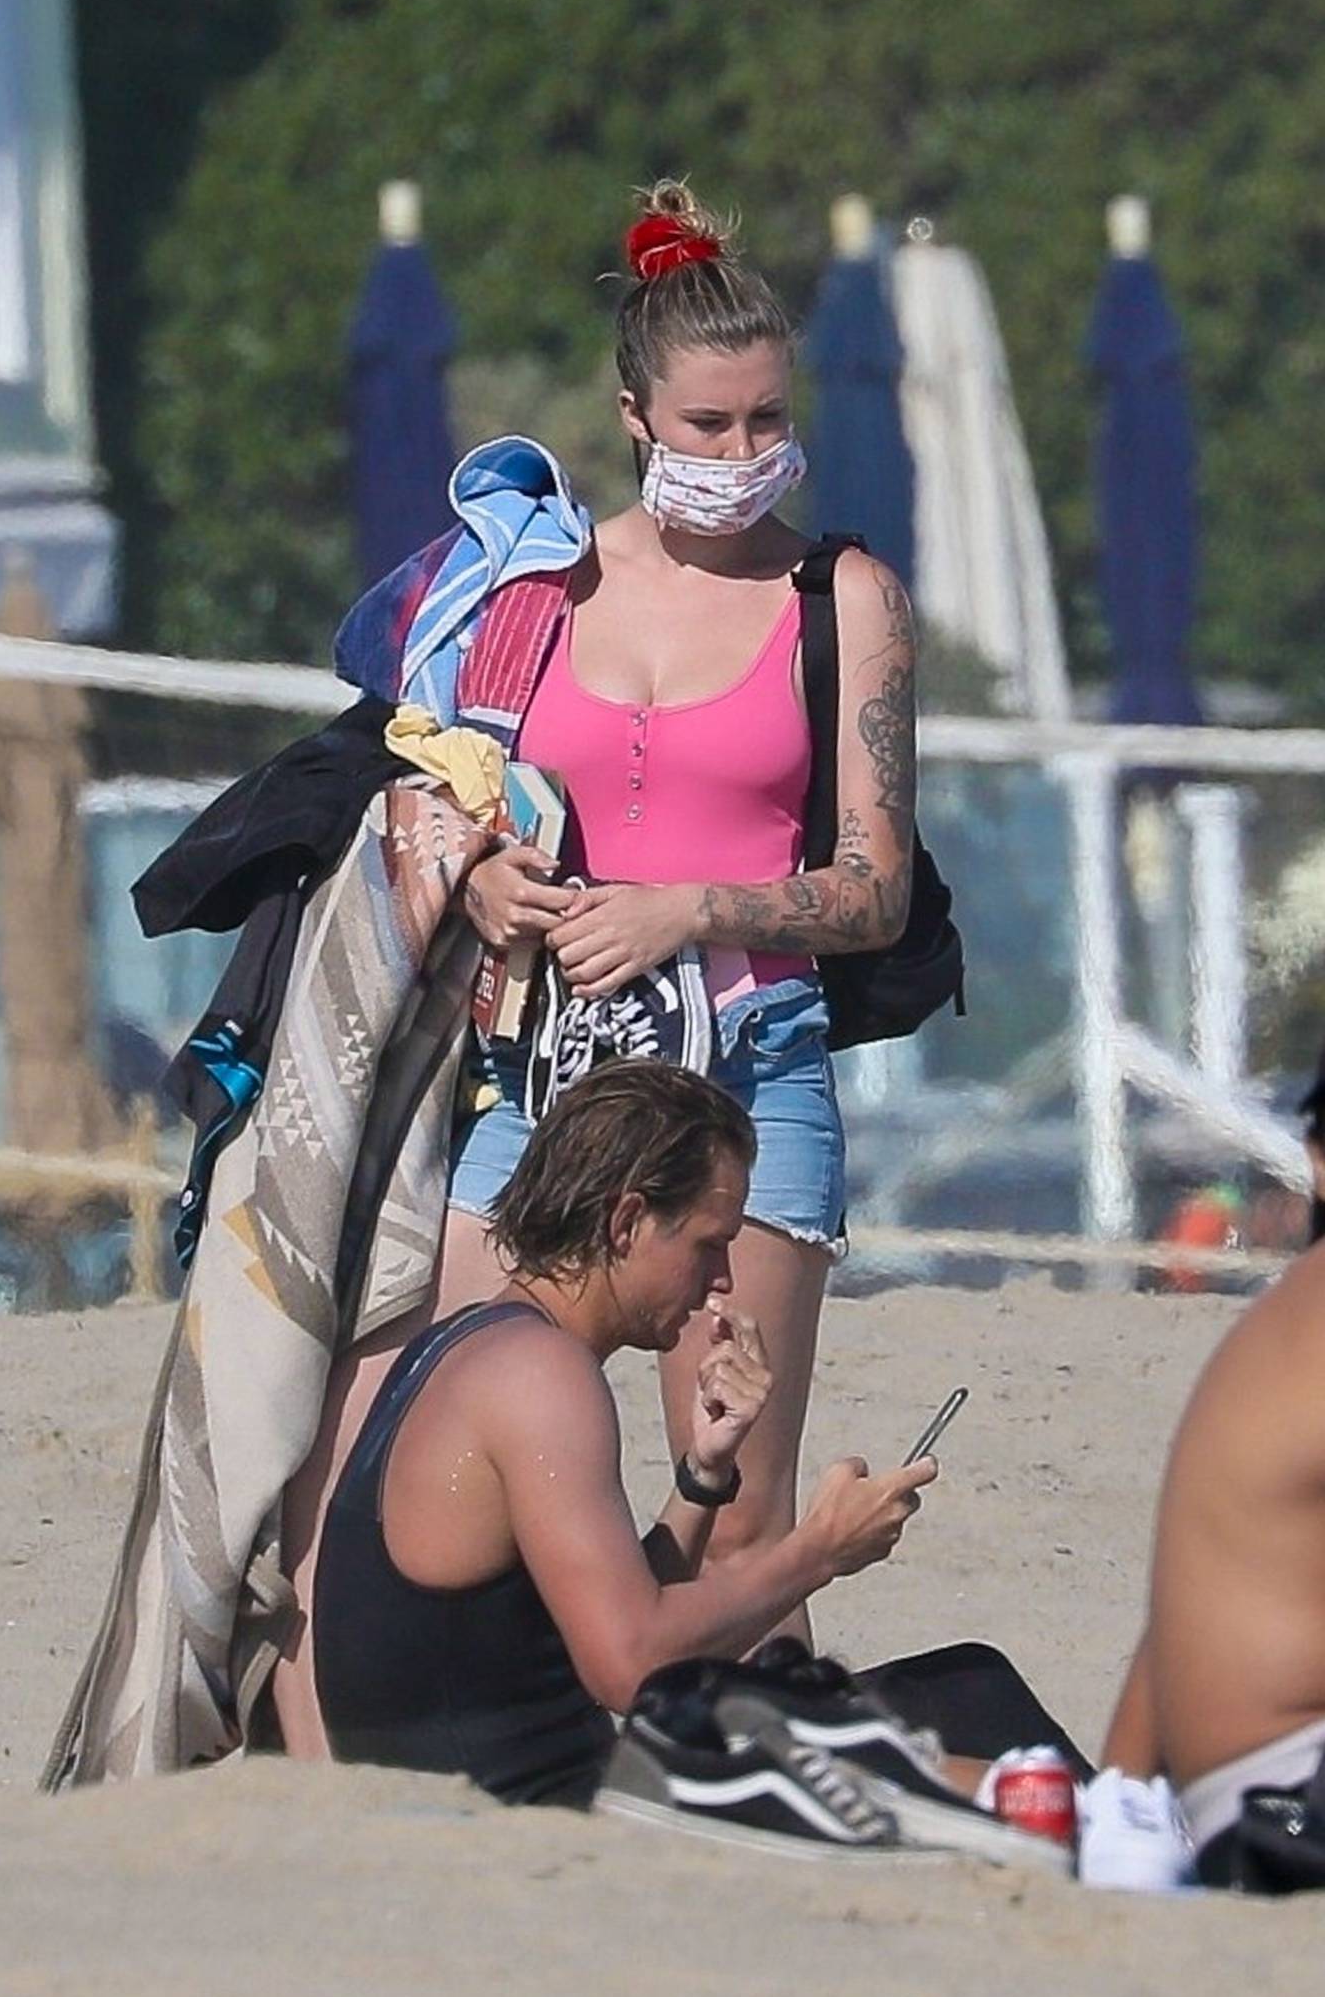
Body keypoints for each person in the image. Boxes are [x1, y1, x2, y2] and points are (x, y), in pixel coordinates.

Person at [275, 177, 915, 1753]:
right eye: (705, 421)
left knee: (741, 1487)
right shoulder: (530, 587)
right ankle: (397, 1764)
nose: (741, 450)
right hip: (536, 1069)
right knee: (440, 1435)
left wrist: (692, 905)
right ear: (634, 413)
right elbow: (438, 786)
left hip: (748, 1069)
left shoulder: (845, 599)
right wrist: (477, 873)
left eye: (766, 416)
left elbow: (876, 890)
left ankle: (765, 1773)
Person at [310, 1061, 935, 1804]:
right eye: (709, 1243)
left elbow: (593, 1628)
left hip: (483, 1798)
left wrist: (704, 1475)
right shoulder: (539, 1377)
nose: (724, 1279)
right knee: (961, 1704)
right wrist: (818, 1552)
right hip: (525, 1826)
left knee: (945, 1698)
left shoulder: (474, 1347)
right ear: (627, 1221)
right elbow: (629, 1668)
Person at [1096, 1052, 1325, 1888]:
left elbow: (1186, 1604)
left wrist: (1120, 1802)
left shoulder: (1288, 1316)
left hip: (1239, 1792)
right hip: (1288, 1797)